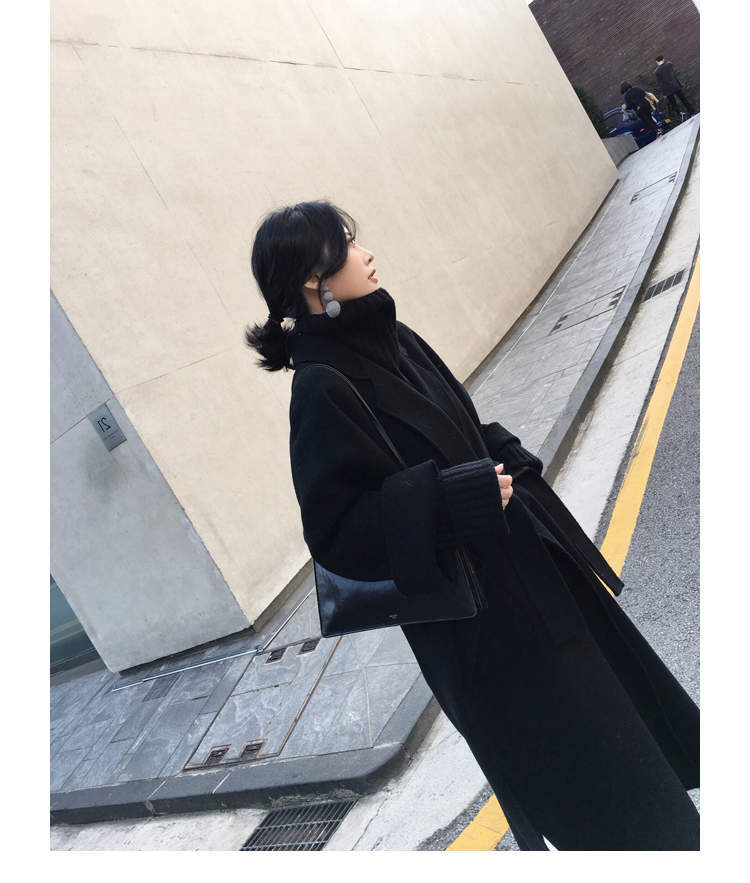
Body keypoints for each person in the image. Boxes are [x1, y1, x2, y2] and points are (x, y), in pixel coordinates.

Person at [245, 200, 699, 850]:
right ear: (315, 282)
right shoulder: (321, 387)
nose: (366, 254)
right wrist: (451, 501)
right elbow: (336, 532)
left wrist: (497, 452)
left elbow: (455, 426)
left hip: (534, 578)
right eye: (346, 247)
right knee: (594, 784)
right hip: (488, 630)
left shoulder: (394, 337)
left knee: (628, 746)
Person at [654, 55, 695, 119]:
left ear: (657, 62)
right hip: (675, 85)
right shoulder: (669, 64)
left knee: (673, 104)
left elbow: (660, 83)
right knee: (684, 99)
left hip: (667, 89)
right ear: (663, 59)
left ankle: (680, 115)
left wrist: (664, 93)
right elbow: (672, 73)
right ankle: (692, 112)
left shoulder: (657, 71)